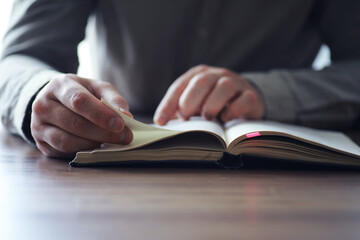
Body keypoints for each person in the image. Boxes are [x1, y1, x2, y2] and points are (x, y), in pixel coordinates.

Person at [0, 0, 359, 158]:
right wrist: (37, 96)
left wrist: (268, 93)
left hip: (279, 162)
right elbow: (19, 57)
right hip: (110, 152)